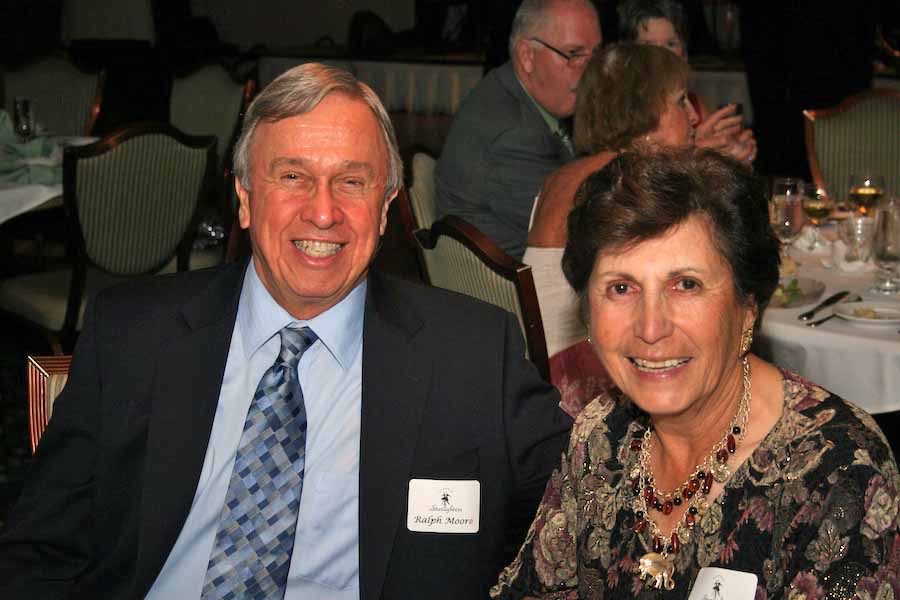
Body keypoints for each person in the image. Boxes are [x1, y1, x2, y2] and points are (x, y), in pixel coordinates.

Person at [0, 63, 572, 599]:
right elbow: (42, 551)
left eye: (352, 182)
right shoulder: (133, 334)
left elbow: (591, 497)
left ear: (385, 206)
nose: (322, 212)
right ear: (244, 198)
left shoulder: (471, 351)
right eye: (292, 176)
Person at [493, 149, 900, 598]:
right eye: (621, 288)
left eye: (685, 284)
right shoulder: (602, 434)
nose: (651, 327)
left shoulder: (838, 470)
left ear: (748, 306)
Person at [524, 43, 696, 412]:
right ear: (644, 110)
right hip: (577, 372)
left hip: (536, 362)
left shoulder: (568, 174)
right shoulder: (626, 184)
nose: (694, 116)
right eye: (681, 101)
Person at [435, 0, 602, 260]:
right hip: (512, 292)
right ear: (527, 56)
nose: (591, 72)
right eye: (574, 54)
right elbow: (585, 229)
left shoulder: (514, 89)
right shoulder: (513, 135)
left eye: (596, 55)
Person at [618, 0, 756, 164]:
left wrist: (734, 156)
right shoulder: (621, 109)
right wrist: (697, 153)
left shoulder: (693, 105)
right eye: (648, 47)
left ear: (685, 55)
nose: (661, 56)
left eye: (670, 44)